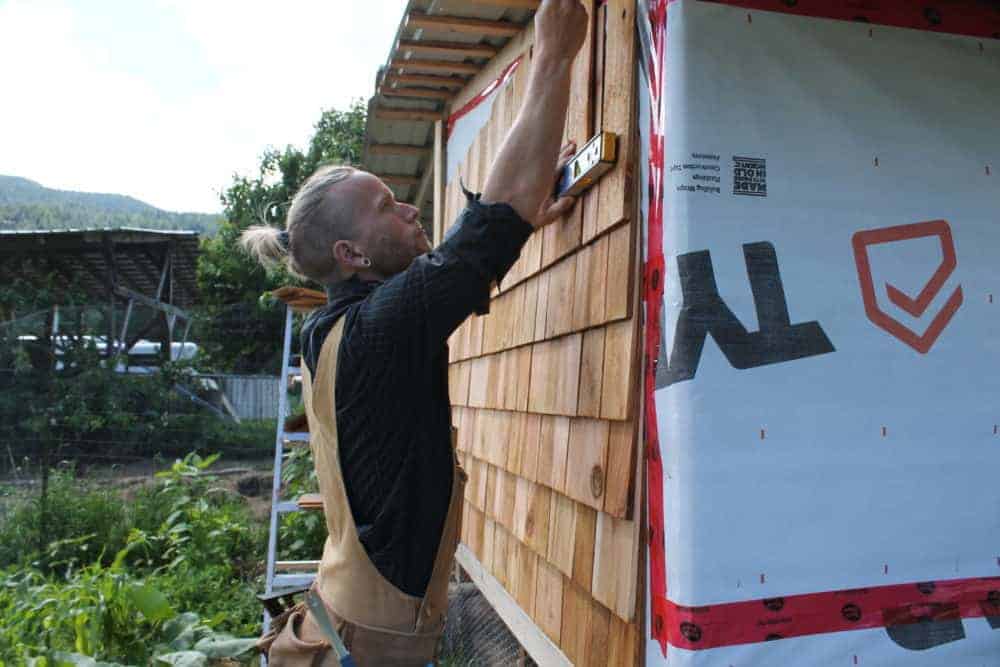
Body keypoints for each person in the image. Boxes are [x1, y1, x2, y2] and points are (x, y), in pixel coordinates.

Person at [243, 1, 588, 664]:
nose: (407, 207)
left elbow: (467, 256)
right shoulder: (373, 335)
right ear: (352, 254)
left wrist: (518, 218)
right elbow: (475, 244)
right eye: (384, 207)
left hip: (344, 625)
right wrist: (552, 55)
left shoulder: (333, 334)